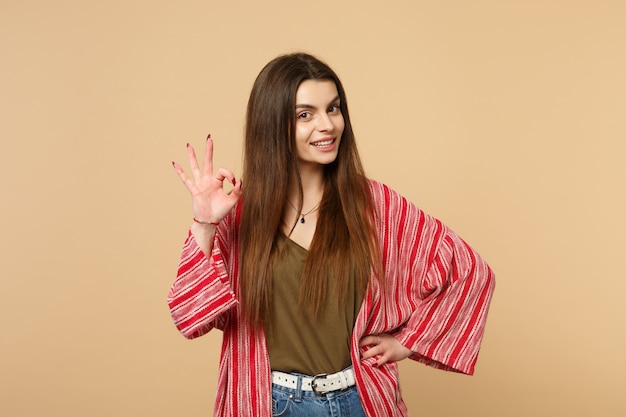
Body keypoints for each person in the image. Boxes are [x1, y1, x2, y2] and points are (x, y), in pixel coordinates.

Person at [168, 52, 495, 417]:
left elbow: (469, 271)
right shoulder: (240, 214)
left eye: (334, 108)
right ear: (272, 125)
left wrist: (407, 341)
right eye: (305, 115)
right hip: (270, 404)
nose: (328, 125)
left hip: (359, 401)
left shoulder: (374, 205)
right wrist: (204, 223)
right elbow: (189, 316)